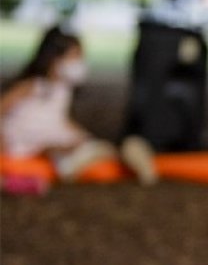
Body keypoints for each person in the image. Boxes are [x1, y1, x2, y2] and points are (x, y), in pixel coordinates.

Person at [0, 26, 156, 185]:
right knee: (93, 151)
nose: (79, 62)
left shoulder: (62, 90)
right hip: (33, 145)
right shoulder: (32, 86)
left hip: (53, 143)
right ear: (54, 58)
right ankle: (130, 156)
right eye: (75, 56)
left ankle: (133, 154)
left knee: (100, 149)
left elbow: (59, 120)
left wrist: (83, 136)